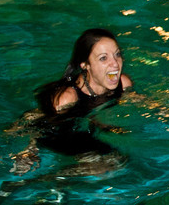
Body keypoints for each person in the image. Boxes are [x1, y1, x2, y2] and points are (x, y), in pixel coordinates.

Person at [9, 28, 132, 174]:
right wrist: (29, 149)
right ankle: (54, 180)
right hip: (61, 134)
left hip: (85, 127)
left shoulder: (123, 83)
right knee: (109, 164)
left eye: (117, 54)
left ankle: (59, 181)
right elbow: (38, 122)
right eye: (103, 58)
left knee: (119, 161)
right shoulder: (67, 98)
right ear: (85, 65)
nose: (115, 64)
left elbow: (143, 101)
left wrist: (164, 113)